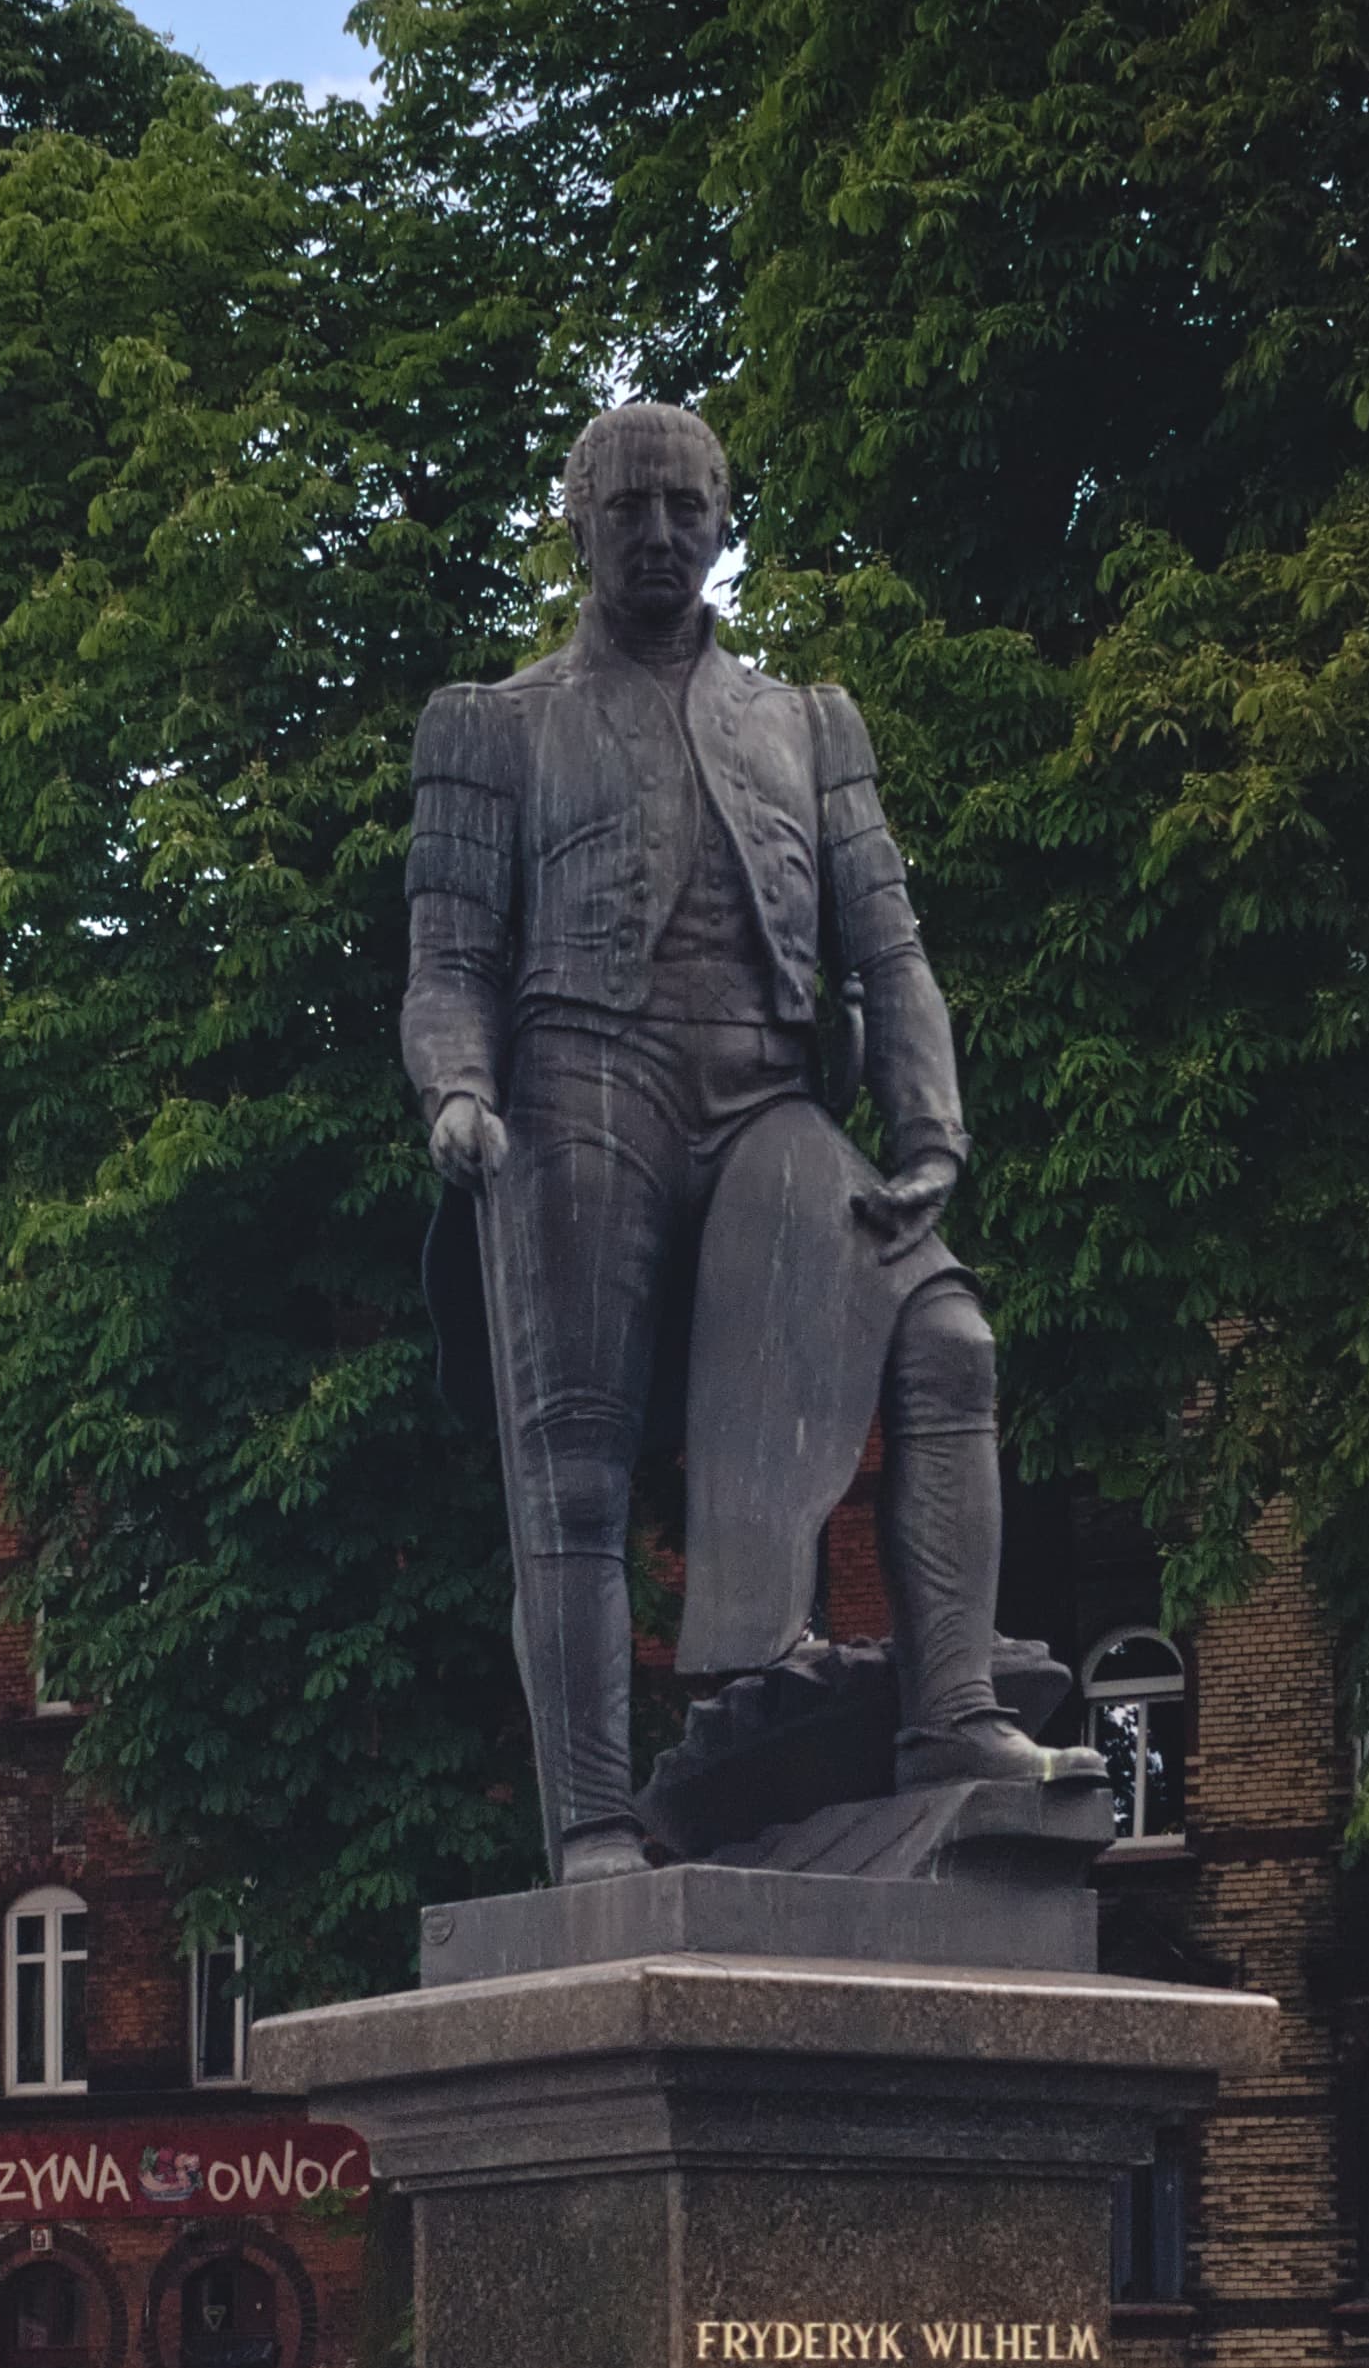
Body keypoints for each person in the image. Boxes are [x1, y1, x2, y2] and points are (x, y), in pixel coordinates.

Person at [402, 398, 1071, 1883]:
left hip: (772, 1098)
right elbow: (448, 960)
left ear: (721, 522)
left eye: (685, 506)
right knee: (568, 1474)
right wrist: (459, 1088)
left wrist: (930, 1129)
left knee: (949, 1338)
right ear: (576, 518)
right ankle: (587, 1819)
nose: (657, 532)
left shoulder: (812, 725)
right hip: (580, 1081)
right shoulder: (489, 726)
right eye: (627, 506)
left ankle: (948, 1710)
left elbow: (889, 951)